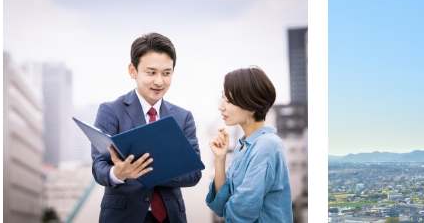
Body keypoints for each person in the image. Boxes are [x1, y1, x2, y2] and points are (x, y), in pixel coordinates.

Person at [91, 33, 201, 223]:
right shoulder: (111, 111)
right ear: (132, 71)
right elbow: (99, 166)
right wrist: (118, 173)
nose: (159, 81)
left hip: (170, 217)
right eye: (151, 72)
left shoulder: (183, 118)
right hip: (123, 216)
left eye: (166, 73)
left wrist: (150, 171)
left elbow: (194, 173)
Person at [203, 67, 292, 222]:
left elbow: (242, 212)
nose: (221, 106)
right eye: (223, 98)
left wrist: (229, 208)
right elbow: (220, 206)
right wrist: (219, 159)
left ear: (250, 107)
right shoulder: (243, 146)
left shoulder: (267, 145)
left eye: (228, 101)